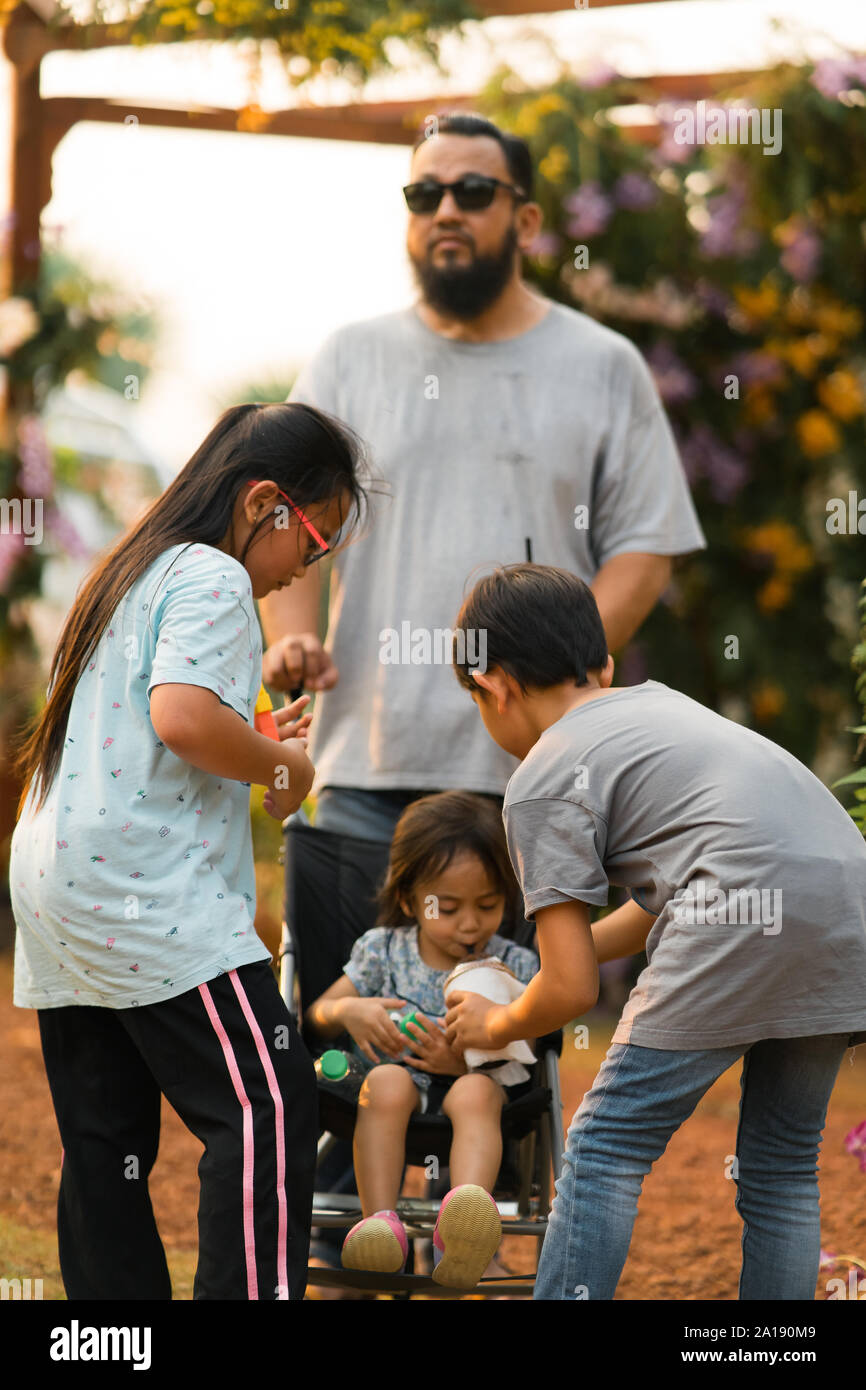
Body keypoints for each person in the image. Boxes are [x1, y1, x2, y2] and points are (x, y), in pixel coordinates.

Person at [263, 110, 706, 1270]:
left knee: (503, 1060)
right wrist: (294, 638)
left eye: (470, 191)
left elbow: (646, 549)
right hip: (358, 774)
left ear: (524, 215)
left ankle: (487, 1246)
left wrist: (545, 685)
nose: (444, 212)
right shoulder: (349, 356)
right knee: (346, 1045)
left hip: (521, 787)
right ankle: (345, 1247)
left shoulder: (598, 365)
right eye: (423, 196)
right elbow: (290, 531)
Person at [8, 401, 371, 1301]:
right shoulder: (214, 577)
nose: (305, 570)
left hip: (59, 882)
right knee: (269, 1109)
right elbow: (179, 719)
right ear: (263, 506)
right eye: (316, 542)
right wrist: (281, 764)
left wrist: (242, 730)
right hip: (147, 889)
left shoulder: (129, 569)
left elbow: (134, 720)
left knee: (104, 1140)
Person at [443, 563, 866, 1301]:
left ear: (497, 684)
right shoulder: (662, 710)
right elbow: (675, 890)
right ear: (600, 664)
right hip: (847, 908)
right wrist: (531, 967)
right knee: (783, 1164)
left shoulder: (542, 777)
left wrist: (496, 1022)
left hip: (736, 905)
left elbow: (570, 989)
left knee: (605, 1146)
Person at [306, 791, 538, 1290]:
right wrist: (351, 1009)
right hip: (393, 1084)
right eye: (449, 907)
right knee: (386, 1083)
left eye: (489, 904)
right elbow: (318, 1013)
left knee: (478, 1092)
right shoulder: (382, 952)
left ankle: (461, 1232)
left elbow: (534, 1042)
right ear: (411, 900)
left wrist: (477, 1054)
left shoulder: (512, 964)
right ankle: (380, 1226)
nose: (471, 923)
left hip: (470, 1084)